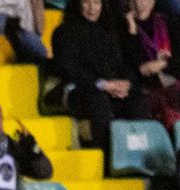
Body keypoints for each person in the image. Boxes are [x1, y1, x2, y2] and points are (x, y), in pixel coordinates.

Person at [52, 0, 150, 153]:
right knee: (98, 100)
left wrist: (125, 84)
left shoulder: (106, 31)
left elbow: (123, 65)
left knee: (138, 100)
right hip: (80, 89)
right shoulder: (63, 32)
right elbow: (69, 70)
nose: (92, 8)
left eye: (97, 3)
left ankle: (137, 156)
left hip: (110, 88)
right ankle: (104, 158)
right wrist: (103, 85)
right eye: (87, 2)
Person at [122, 0, 180, 127]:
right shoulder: (123, 27)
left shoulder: (164, 22)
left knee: (178, 92)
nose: (140, 4)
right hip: (142, 84)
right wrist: (132, 31)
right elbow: (131, 63)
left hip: (169, 78)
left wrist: (162, 64)